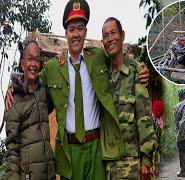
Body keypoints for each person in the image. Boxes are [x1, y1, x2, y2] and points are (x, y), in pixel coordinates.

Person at [5, 0, 150, 179]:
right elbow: (30, 80)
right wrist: (12, 86)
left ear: (86, 32)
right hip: (69, 150)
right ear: (66, 33)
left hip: (97, 147)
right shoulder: (52, 68)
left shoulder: (97, 57)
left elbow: (119, 56)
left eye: (80, 28)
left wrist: (141, 67)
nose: (76, 34)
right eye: (71, 29)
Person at [101, 17, 157, 179]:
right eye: (105, 36)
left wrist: (146, 160)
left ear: (122, 35)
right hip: (110, 162)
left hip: (132, 161)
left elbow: (144, 117)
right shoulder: (104, 74)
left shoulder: (136, 71)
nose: (110, 39)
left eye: (113, 33)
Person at [5, 40, 55, 180]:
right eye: (30, 59)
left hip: (48, 174)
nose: (33, 64)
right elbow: (12, 149)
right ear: (22, 64)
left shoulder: (44, 93)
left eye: (37, 60)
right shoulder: (13, 100)